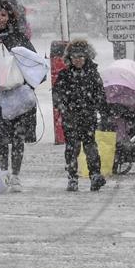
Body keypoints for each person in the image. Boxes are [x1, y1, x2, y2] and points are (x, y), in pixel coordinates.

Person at [0, 0, 37, 192]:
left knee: (18, 137)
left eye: (3, 15)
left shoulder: (18, 38)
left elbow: (32, 62)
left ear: (9, 16)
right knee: (2, 138)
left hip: (17, 95)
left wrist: (27, 85)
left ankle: (15, 176)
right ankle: (4, 174)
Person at [53, 39, 107, 192]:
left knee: (90, 146)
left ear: (87, 57)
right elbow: (57, 94)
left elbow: (100, 94)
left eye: (81, 56)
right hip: (70, 117)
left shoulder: (92, 74)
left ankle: (95, 175)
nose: (78, 60)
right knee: (72, 147)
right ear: (69, 58)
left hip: (88, 116)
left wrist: (101, 111)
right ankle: (72, 177)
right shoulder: (64, 75)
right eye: (75, 56)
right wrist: (63, 106)